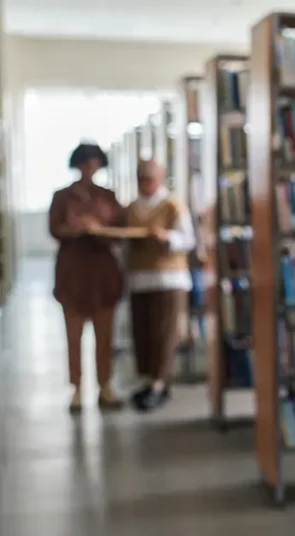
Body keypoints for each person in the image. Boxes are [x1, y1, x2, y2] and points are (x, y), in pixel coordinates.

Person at [48, 143, 126, 412]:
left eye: (93, 162)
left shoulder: (108, 196)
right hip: (73, 274)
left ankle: (106, 385)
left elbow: (120, 230)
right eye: (84, 162)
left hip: (103, 273)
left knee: (105, 336)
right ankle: (77, 388)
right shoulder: (62, 197)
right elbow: (54, 229)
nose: (89, 167)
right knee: (74, 336)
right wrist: (76, 229)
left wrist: (99, 228)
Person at [124, 160, 195, 411]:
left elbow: (188, 240)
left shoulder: (173, 205)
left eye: (150, 178)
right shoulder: (132, 208)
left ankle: (160, 382)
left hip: (168, 279)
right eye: (141, 178)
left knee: (165, 333)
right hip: (139, 279)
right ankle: (148, 381)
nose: (145, 183)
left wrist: (167, 238)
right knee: (144, 333)